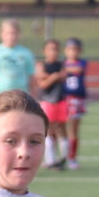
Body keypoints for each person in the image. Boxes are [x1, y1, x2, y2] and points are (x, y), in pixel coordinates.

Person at [0, 19, 36, 101]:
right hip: (0, 98)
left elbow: (32, 77)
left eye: (14, 33)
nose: (11, 36)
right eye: (8, 33)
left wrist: (33, 98)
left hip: (21, 98)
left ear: (19, 34)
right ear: (1, 34)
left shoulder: (26, 53)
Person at [35, 39, 68, 171]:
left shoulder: (61, 65)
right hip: (47, 102)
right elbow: (42, 83)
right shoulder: (41, 65)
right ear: (44, 51)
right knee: (49, 130)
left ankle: (64, 158)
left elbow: (64, 76)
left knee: (62, 129)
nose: (53, 52)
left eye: (55, 49)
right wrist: (54, 77)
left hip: (60, 101)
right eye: (50, 49)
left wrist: (51, 76)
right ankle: (50, 159)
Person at [62, 37, 88, 170]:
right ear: (66, 50)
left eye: (75, 49)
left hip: (77, 99)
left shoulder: (82, 63)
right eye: (70, 49)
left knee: (73, 129)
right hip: (63, 98)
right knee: (59, 129)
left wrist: (62, 71)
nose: (73, 52)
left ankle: (72, 157)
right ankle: (58, 157)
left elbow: (78, 69)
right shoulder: (62, 64)